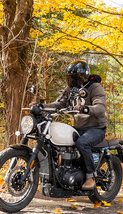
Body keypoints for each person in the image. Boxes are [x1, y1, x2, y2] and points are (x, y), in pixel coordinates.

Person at [34, 60, 107, 190]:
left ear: (83, 77)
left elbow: (100, 107)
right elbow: (59, 104)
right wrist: (41, 107)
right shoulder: (70, 89)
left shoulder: (95, 87)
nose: (72, 80)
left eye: (75, 77)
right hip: (79, 128)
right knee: (54, 139)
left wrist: (84, 108)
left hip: (96, 128)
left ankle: (90, 177)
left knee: (82, 143)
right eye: (70, 78)